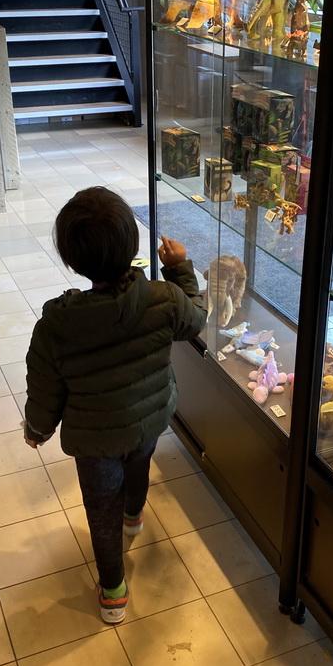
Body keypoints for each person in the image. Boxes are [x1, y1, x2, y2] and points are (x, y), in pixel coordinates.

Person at [22, 186, 206, 624]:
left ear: (72, 259)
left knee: (97, 508)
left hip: (95, 440)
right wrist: (180, 270)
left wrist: (37, 428)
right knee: (140, 463)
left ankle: (113, 592)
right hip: (149, 417)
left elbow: (44, 388)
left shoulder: (57, 324)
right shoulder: (163, 299)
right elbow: (196, 319)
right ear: (133, 246)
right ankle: (134, 517)